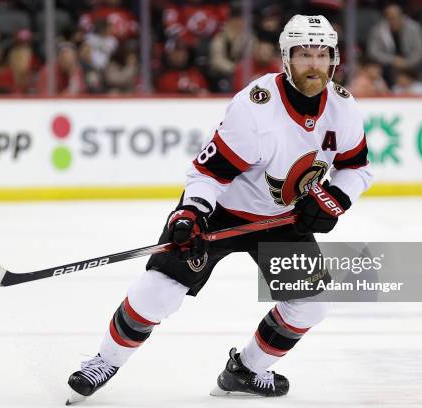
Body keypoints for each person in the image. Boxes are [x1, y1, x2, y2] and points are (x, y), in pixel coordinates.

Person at [66, 14, 372, 404]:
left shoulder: (343, 109)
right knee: (159, 292)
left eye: (322, 54)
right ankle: (103, 361)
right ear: (285, 58)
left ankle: (245, 371)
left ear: (334, 58)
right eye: (303, 54)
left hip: (282, 219)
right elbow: (209, 173)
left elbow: (357, 167)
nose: (314, 63)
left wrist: (335, 199)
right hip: (221, 212)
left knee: (311, 305)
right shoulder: (255, 109)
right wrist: (191, 214)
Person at [367, 2, 422, 86]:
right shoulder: (378, 30)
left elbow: (420, 52)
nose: (393, 21)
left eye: (396, 17)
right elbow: (373, 52)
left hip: (412, 64)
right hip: (388, 66)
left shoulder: (414, 28)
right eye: (390, 18)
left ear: (402, 16)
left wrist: (406, 63)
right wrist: (393, 60)